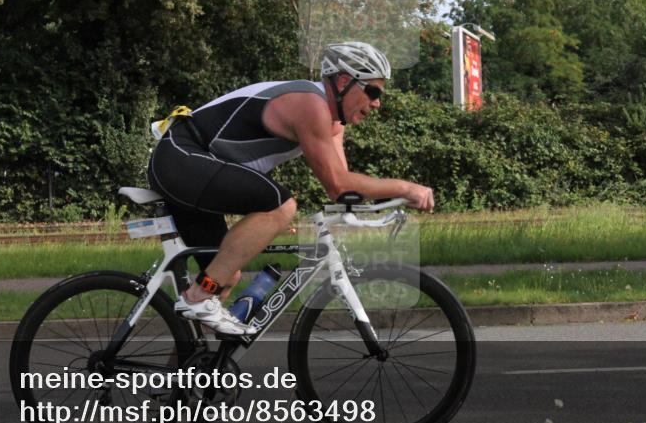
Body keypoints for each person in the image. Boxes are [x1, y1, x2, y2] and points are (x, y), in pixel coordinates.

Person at [148, 41, 435, 335]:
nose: (377, 103)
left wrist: (383, 208)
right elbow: (338, 183)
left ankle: (189, 360)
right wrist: (405, 188)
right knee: (280, 206)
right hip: (180, 158)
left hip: (196, 168)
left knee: (223, 275)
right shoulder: (309, 103)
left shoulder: (334, 123)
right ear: (344, 82)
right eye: (373, 92)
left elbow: (342, 190)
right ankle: (198, 297)